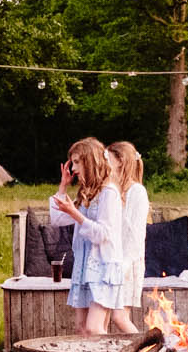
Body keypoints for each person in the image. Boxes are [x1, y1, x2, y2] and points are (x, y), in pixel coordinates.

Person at [50, 138, 124, 336]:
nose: (73, 168)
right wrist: (63, 186)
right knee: (81, 329)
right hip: (84, 267)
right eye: (72, 163)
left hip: (103, 266)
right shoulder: (86, 193)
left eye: (76, 162)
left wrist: (75, 214)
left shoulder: (109, 193)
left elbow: (103, 234)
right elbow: (56, 219)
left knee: (94, 328)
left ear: (89, 162)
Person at [108, 141, 150, 337]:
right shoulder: (113, 190)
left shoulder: (137, 192)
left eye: (108, 159)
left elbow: (135, 235)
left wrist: (123, 265)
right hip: (113, 261)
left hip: (129, 263)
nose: (104, 164)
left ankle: (147, 351)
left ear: (120, 161)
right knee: (107, 315)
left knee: (119, 316)